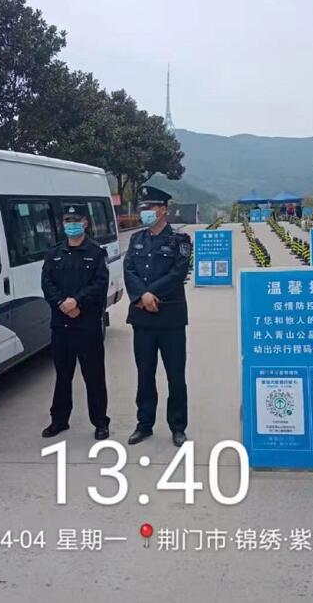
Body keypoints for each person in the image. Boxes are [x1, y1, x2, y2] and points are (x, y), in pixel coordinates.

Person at [124, 186, 192, 447]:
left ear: (163, 210)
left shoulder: (179, 240)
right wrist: (143, 296)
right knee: (144, 374)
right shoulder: (136, 239)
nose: (145, 212)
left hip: (170, 319)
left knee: (175, 375)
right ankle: (144, 424)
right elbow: (129, 270)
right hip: (143, 319)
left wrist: (152, 293)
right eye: (143, 208)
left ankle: (178, 426)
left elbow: (178, 273)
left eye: (150, 207)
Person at [40, 205, 110, 440]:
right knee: (62, 376)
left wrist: (77, 302)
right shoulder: (54, 254)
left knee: (94, 376)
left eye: (75, 220)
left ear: (85, 223)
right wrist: (62, 303)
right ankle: (59, 420)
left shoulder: (96, 253)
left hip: (87, 325)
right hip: (61, 326)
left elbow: (99, 285)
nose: (71, 224)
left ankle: (100, 422)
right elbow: (47, 283)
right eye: (67, 220)